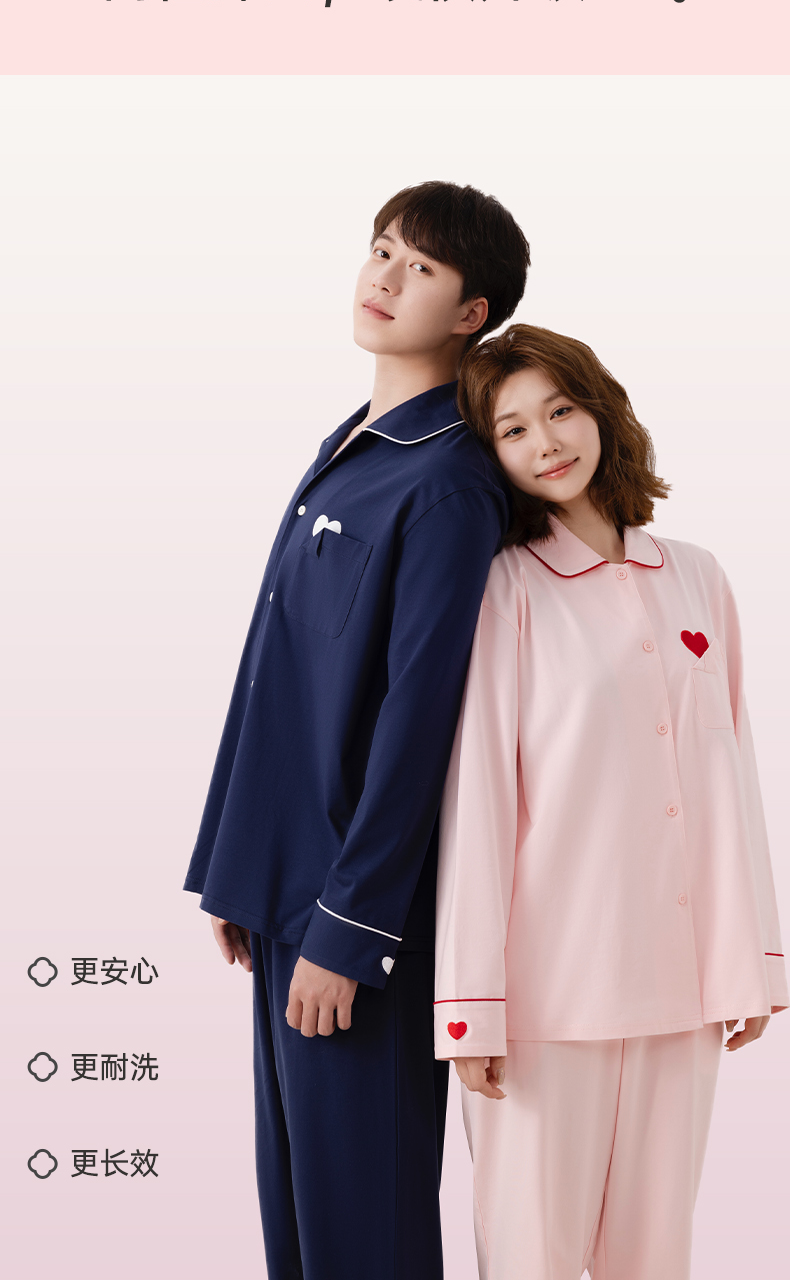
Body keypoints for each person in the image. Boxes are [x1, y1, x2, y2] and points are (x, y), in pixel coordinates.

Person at [183, 182, 530, 1280]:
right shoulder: (355, 447)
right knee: (297, 1226)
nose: (383, 277)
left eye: (419, 267)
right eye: (381, 249)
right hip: (283, 888)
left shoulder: (449, 482)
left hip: (355, 914)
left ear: (471, 311)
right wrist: (240, 867)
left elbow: (421, 719)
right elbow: (281, 674)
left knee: (361, 1229)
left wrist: (349, 927)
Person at [434, 323, 788, 1280]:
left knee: (656, 1258)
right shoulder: (505, 586)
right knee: (531, 1257)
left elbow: (732, 772)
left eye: (560, 410)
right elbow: (478, 798)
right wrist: (468, 1007)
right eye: (513, 428)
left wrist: (754, 957)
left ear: (601, 410)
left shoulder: (698, 575)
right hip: (548, 996)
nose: (546, 441)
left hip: (686, 989)